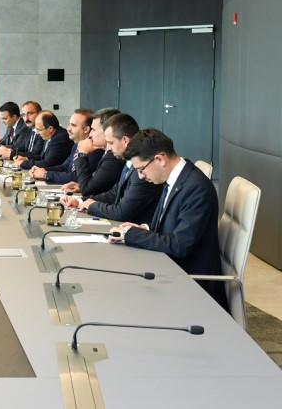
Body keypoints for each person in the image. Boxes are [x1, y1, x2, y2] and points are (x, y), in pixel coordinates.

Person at [108, 128, 228, 310]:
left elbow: (180, 245)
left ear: (160, 159)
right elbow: (171, 224)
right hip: (173, 269)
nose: (140, 176)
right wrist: (144, 228)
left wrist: (131, 235)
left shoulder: (196, 188)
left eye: (141, 169)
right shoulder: (175, 179)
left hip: (191, 284)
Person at [61, 113, 162, 224]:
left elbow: (121, 212)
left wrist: (91, 205)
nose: (108, 148)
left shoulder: (142, 171)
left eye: (111, 143)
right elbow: (113, 194)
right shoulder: (129, 164)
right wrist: (80, 201)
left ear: (125, 140)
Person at [62, 107, 125, 196]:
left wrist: (82, 154)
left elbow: (87, 190)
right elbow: (94, 186)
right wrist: (81, 186)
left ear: (108, 131)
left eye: (94, 130)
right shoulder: (107, 154)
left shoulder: (114, 158)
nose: (90, 134)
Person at [29, 108, 102, 184]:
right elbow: (65, 167)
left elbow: (78, 177)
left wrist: (46, 174)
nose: (68, 128)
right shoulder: (77, 145)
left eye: (73, 125)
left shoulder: (95, 149)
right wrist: (41, 170)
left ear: (86, 129)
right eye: (69, 124)